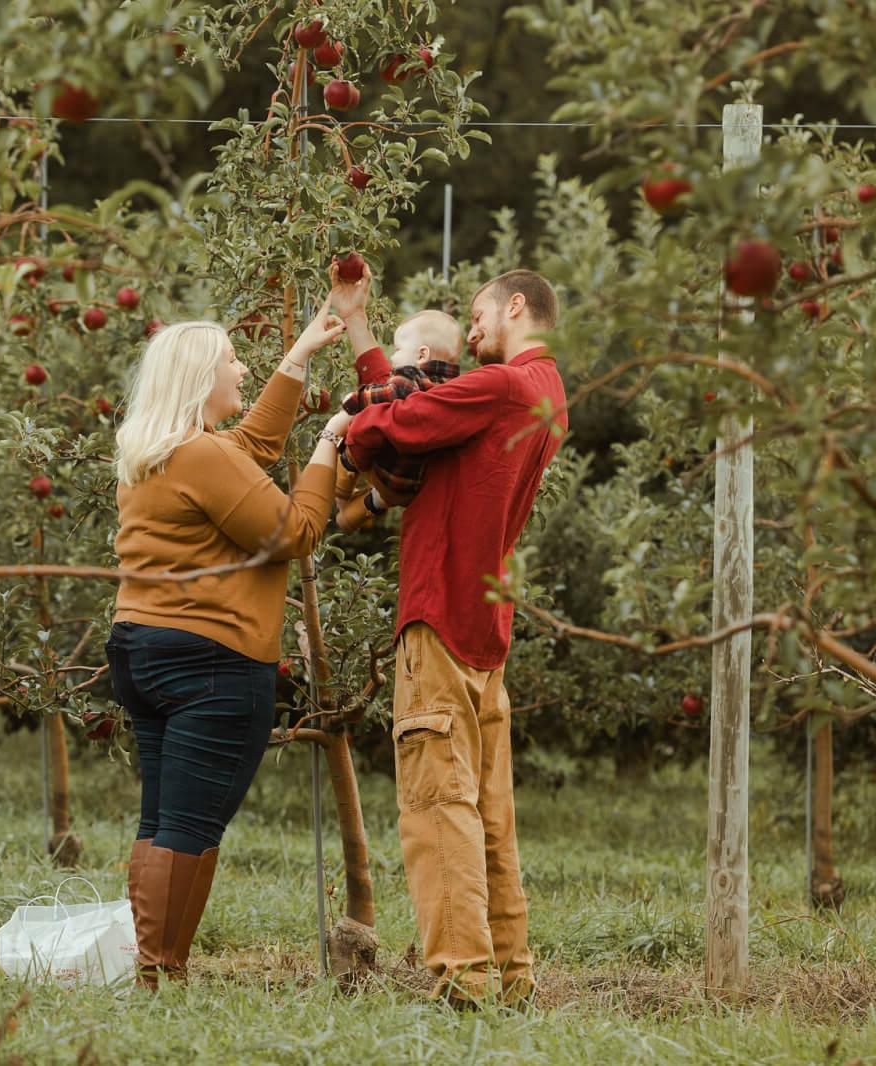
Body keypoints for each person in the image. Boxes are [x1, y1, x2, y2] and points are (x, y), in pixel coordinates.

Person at [330, 263, 567, 1009]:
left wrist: (345, 427)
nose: (469, 332)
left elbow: (397, 421)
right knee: (488, 812)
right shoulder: (548, 397)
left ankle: (461, 979)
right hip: (484, 625)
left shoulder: (501, 388)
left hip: (436, 614)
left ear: (517, 306)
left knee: (438, 805)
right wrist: (362, 329)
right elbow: (426, 406)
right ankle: (510, 974)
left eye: (477, 315)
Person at [105, 308, 351, 989]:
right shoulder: (206, 456)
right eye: (231, 360)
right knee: (188, 823)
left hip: (142, 649)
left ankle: (154, 971)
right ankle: (160, 974)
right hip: (210, 660)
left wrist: (297, 356)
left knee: (160, 818)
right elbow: (296, 531)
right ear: (198, 377)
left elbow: (251, 448)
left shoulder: (154, 452)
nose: (241, 367)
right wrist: (331, 441)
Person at [331, 307, 465, 533]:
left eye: (398, 349)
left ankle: (342, 490)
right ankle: (352, 517)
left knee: (354, 434)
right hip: (409, 486)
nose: (392, 356)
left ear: (421, 355)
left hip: (386, 469)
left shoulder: (410, 377)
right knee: (379, 499)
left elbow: (386, 394)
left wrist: (353, 400)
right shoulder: (453, 389)